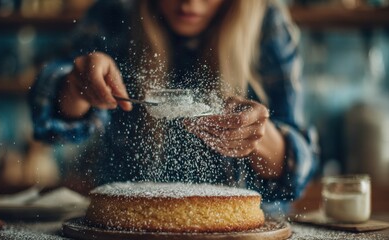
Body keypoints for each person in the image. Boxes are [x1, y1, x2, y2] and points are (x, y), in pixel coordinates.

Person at [30, 0, 318, 211]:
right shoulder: (114, 13)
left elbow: (298, 172)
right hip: (128, 223)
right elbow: (50, 126)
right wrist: (75, 86)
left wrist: (258, 135)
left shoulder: (266, 22)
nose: (190, 3)